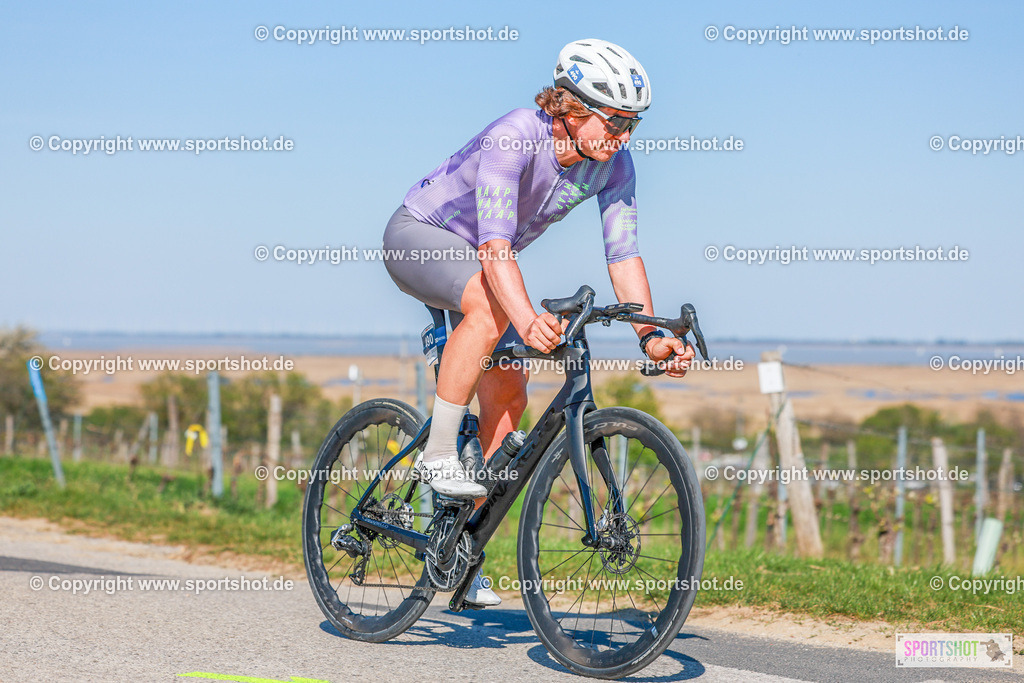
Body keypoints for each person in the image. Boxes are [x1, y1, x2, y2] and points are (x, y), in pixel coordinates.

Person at [382, 39, 695, 606]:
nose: (624, 137)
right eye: (615, 121)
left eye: (633, 124)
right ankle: (438, 454)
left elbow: (624, 255)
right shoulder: (516, 136)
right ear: (571, 108)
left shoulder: (614, 165)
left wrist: (650, 335)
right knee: (493, 307)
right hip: (420, 238)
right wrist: (526, 320)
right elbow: (495, 248)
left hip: (484, 264)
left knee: (508, 396)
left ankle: (458, 551)